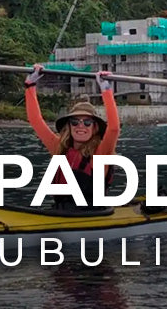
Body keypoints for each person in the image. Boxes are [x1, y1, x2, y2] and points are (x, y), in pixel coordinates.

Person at [24, 64, 121, 210]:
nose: (80, 126)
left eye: (87, 122)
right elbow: (35, 120)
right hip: (60, 211)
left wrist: (106, 89)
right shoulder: (59, 147)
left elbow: (113, 128)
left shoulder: (101, 152)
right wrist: (30, 84)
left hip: (92, 215)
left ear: (95, 128)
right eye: (75, 122)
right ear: (69, 126)